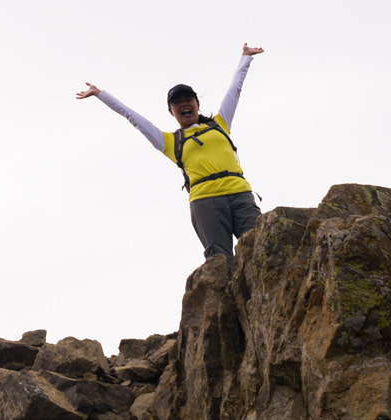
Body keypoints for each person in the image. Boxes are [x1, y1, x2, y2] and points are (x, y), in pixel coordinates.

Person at [76, 45, 264, 261]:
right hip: (205, 201)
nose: (184, 104)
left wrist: (245, 59)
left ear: (197, 104)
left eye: (188, 100)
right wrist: (100, 94)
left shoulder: (219, 124)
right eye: (177, 102)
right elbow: (133, 117)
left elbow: (234, 91)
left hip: (239, 193)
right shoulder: (169, 142)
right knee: (219, 261)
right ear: (171, 111)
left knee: (259, 246)